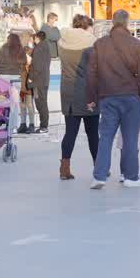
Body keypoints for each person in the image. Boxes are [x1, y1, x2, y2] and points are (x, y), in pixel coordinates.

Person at [86, 10, 140, 189]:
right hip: (131, 97)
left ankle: (99, 176)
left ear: (112, 22)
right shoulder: (136, 44)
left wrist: (92, 97)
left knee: (105, 137)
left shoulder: (100, 44)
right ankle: (130, 177)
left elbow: (91, 73)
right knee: (130, 138)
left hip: (108, 97)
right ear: (127, 22)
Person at [57, 15, 98, 181]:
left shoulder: (62, 43)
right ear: (87, 26)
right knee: (93, 133)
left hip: (68, 92)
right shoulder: (92, 43)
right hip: (89, 92)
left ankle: (64, 168)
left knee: (70, 132)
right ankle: (99, 167)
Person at [0, 33, 29, 134]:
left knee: (0, 101)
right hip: (16, 79)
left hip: (3, 79)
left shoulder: (4, 47)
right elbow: (25, 63)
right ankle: (13, 127)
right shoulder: (21, 49)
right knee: (15, 104)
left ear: (9, 40)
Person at [25, 30, 53, 134]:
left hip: (38, 81)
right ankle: (44, 125)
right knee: (43, 102)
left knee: (40, 103)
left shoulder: (38, 49)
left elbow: (36, 66)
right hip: (45, 79)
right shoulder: (46, 48)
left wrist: (30, 78)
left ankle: (43, 126)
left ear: (37, 38)